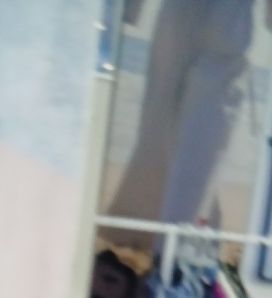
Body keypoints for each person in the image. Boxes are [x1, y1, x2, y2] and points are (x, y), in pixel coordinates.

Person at [107, 0, 270, 246]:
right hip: (223, 20)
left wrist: (127, 10)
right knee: (194, 138)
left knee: (170, 125)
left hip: (187, 16)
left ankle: (163, 235)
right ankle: (172, 238)